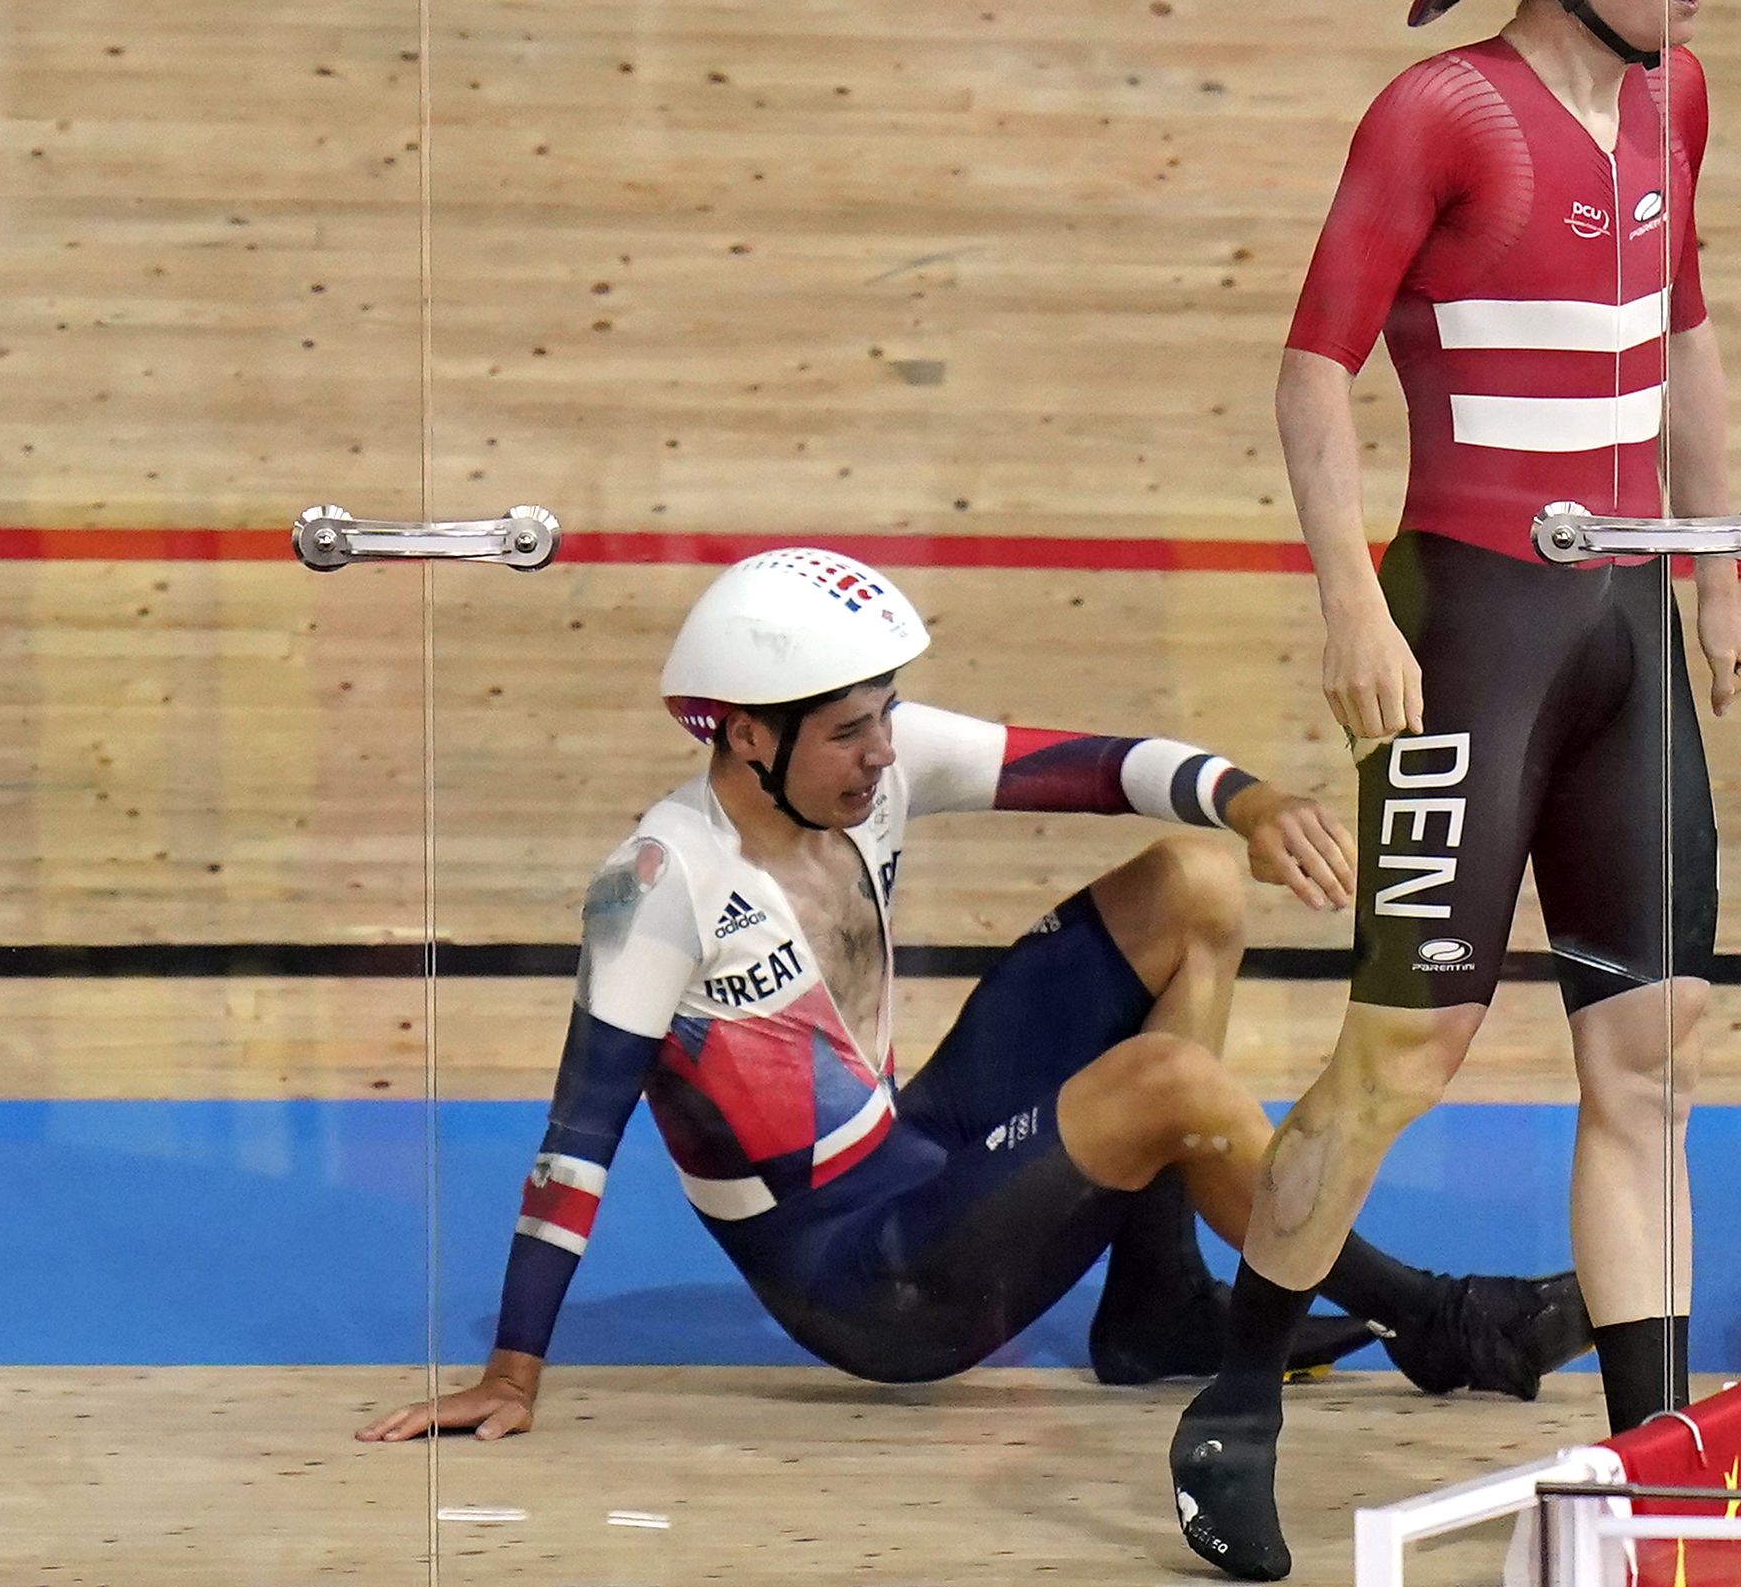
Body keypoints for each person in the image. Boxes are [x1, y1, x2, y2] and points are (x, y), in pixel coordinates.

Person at [359, 546, 1589, 1447]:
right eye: (851, 732)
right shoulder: (658, 886)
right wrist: (512, 1372)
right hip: (874, 1285)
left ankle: (1156, 1304)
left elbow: (1111, 768)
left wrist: (1254, 799)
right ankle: (1432, 1317)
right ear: (744, 736)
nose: (885, 751)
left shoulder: (858, 765)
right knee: (1169, 1085)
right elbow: (577, 1142)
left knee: (1193, 878)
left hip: (914, 1152)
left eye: (886, 719)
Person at [1168, 0, 1741, 1584]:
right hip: (1474, 628)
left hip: (1624, 621)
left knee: (1647, 1059)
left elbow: (1684, 333)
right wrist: (1353, 603)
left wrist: (1720, 569)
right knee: (1403, 1054)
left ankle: (1655, 1465)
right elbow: (1309, 371)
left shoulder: (1679, 104)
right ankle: (1236, 1389)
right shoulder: (1438, 115)